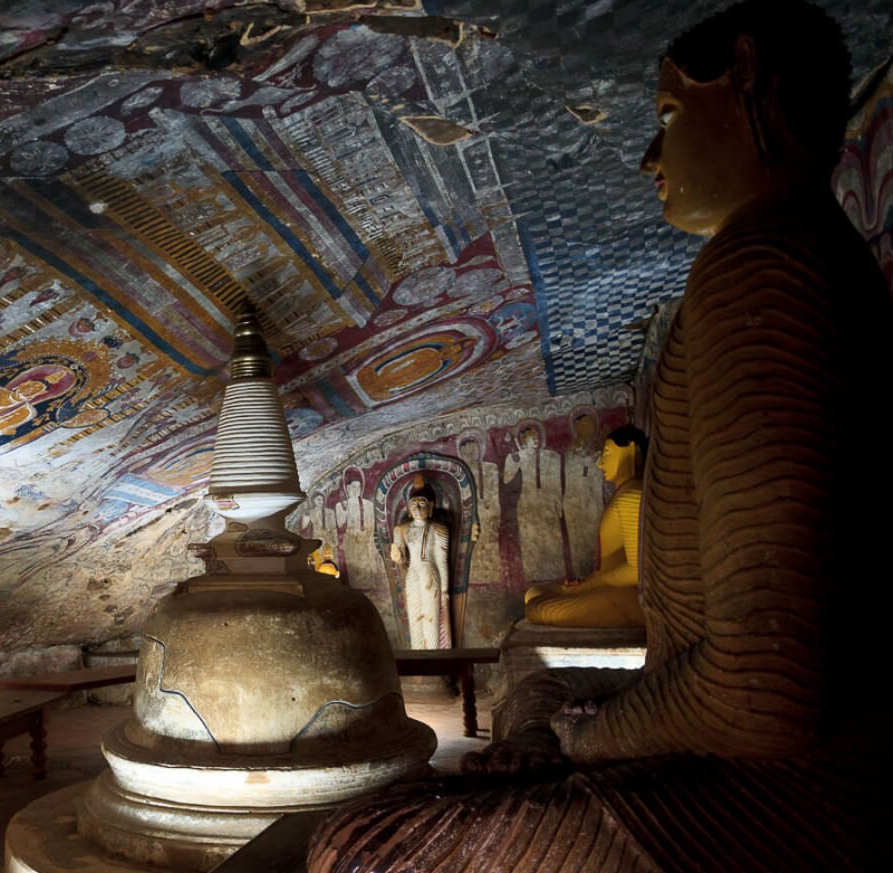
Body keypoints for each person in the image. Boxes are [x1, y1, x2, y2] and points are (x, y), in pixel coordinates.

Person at [308, 2, 890, 870]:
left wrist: (587, 743)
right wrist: (575, 726)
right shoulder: (789, 253)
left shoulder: (764, 262)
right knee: (538, 690)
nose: (652, 156)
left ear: (747, 79)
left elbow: (765, 687)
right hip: (752, 719)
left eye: (666, 117)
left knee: (367, 841)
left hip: (800, 783)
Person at [523, 425, 647, 627]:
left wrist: (591, 584)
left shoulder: (632, 495)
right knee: (533, 593)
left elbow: (637, 572)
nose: (601, 463)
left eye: (607, 453)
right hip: (609, 585)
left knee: (539, 609)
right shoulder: (623, 494)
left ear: (631, 449)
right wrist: (586, 584)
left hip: (628, 594)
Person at [389, 482, 451, 649]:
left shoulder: (439, 528)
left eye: (422, 503)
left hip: (429, 572)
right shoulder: (402, 529)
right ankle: (418, 658)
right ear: (408, 509)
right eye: (413, 504)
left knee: (431, 618)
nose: (417, 508)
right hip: (412, 573)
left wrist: (444, 590)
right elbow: (402, 559)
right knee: (415, 617)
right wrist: (398, 556)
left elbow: (441, 560)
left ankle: (435, 661)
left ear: (430, 507)